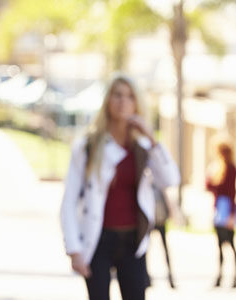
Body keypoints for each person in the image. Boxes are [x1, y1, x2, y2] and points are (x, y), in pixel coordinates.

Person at [60, 74, 180, 300]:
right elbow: (69, 201)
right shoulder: (87, 146)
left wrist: (152, 139)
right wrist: (74, 249)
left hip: (133, 242)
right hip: (98, 240)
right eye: (117, 95)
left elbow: (171, 179)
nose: (123, 102)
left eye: (129, 96)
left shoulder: (143, 146)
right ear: (108, 101)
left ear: (136, 103)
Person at [206, 139, 236, 288]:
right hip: (219, 208)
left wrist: (232, 214)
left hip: (227, 208)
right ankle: (219, 277)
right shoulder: (217, 168)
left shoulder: (231, 169)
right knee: (219, 245)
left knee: (231, 245)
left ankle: (235, 277)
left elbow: (232, 192)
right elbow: (210, 186)